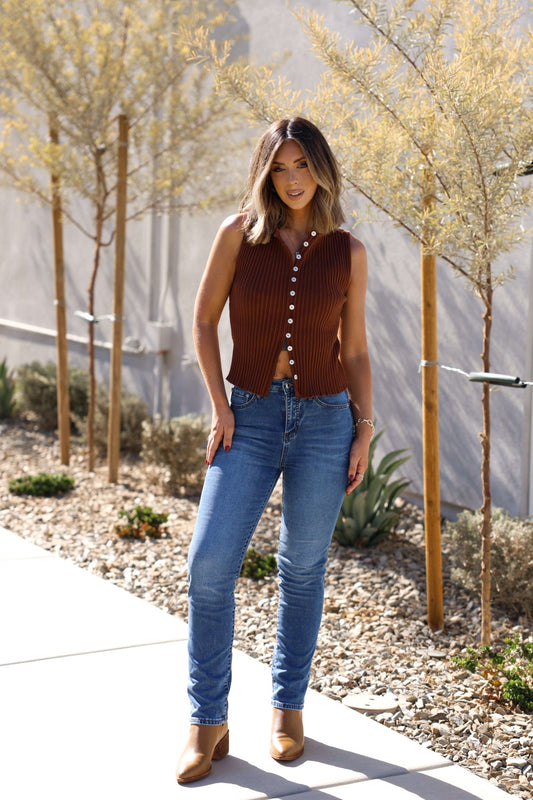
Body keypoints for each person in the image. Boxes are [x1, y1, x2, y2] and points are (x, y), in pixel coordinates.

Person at [177, 117, 373, 784]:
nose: (292, 179)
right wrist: (219, 407)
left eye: (302, 165)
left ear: (321, 168)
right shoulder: (237, 236)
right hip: (250, 420)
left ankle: (287, 709)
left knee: (302, 569)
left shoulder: (347, 250)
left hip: (324, 423)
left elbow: (355, 350)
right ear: (264, 172)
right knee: (208, 565)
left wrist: (364, 429)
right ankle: (208, 721)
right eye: (280, 167)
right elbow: (203, 321)